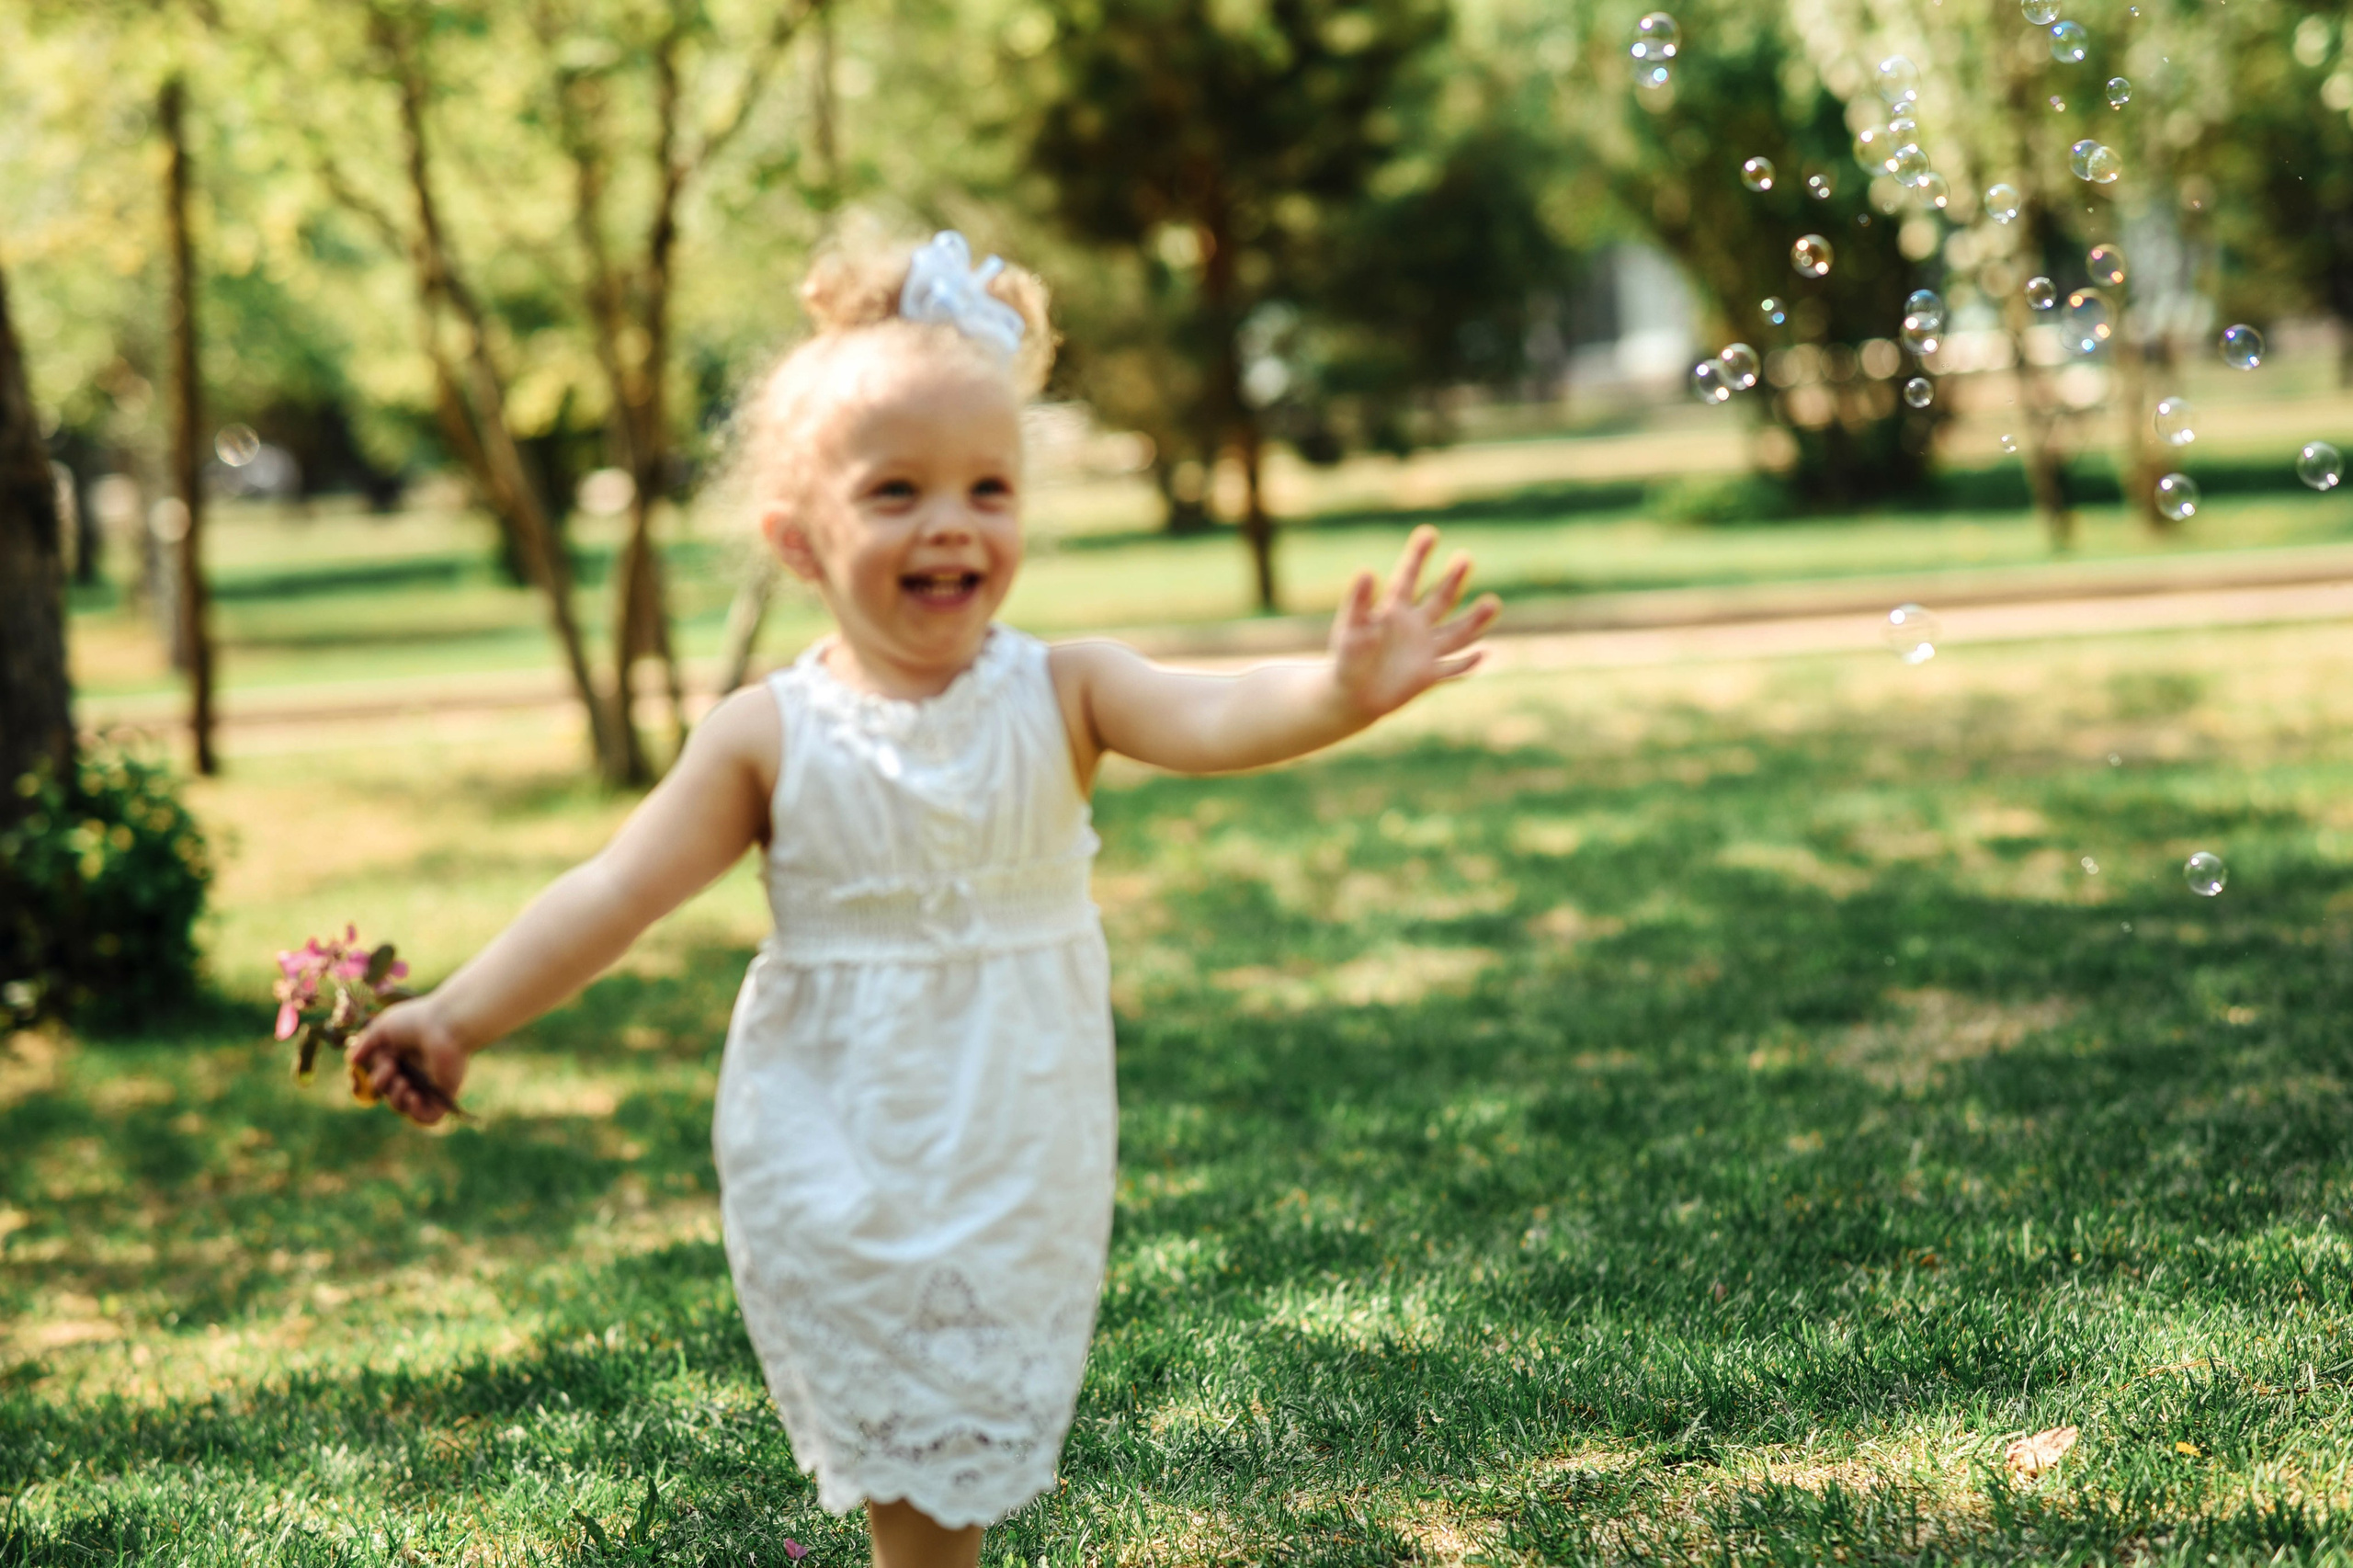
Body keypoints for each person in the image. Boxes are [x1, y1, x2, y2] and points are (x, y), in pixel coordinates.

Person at [347, 230, 1501, 1568]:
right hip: (837, 1138)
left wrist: (1336, 693)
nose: (951, 522)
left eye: (987, 488)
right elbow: (613, 893)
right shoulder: (767, 736)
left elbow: (1215, 713)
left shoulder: (1067, 688)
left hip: (1017, 1135)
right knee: (918, 1465)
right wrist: (459, 1017)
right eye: (895, 491)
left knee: (963, 1451)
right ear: (799, 537)